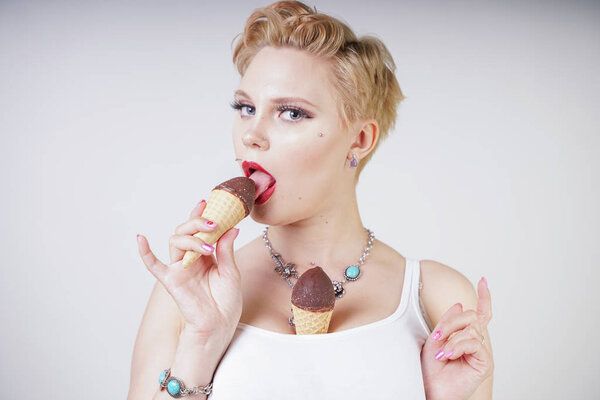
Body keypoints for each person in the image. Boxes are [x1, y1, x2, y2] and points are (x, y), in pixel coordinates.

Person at [128, 1, 494, 399]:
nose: (252, 134)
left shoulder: (438, 299)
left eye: (291, 113)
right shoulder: (186, 288)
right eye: (246, 108)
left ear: (359, 140)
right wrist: (200, 342)